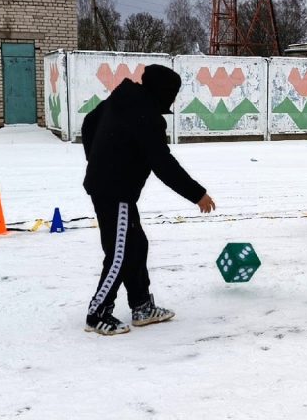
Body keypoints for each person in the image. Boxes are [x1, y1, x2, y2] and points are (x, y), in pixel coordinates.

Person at [81, 64, 215, 336]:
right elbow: (162, 163)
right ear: (163, 91)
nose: (174, 100)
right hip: (114, 190)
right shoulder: (146, 115)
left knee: (136, 245)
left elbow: (89, 123)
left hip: (112, 186)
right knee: (119, 253)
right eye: (173, 94)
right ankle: (97, 313)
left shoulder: (123, 99)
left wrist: (96, 159)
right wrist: (197, 193)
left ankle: (141, 305)